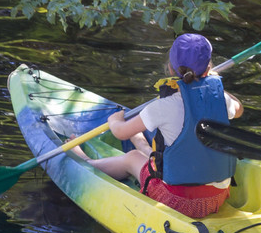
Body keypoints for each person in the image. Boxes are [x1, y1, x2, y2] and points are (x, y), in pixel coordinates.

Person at [87, 33, 244, 219]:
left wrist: (115, 119)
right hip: (217, 197)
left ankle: (86, 163)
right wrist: (216, 87)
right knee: (164, 150)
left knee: (132, 158)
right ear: (209, 68)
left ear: (170, 69)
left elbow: (120, 132)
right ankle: (141, 143)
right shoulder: (222, 100)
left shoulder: (162, 107)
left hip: (179, 202)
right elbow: (239, 109)